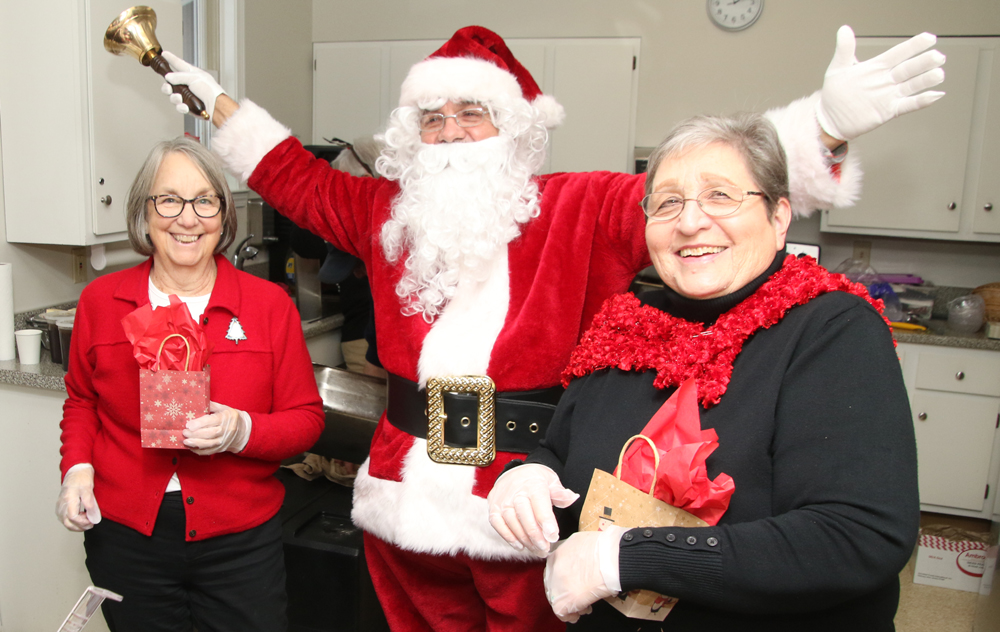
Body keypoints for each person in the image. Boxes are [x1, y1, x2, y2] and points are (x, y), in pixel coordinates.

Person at [154, 25, 940, 630]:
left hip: (526, 496)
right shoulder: (381, 214)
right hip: (401, 494)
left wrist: (823, 127)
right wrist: (210, 100)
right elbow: (291, 175)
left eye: (474, 114)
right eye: (435, 118)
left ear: (516, 128)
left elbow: (704, 195)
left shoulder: (579, 205)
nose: (454, 133)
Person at [486, 113, 918, 630]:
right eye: (667, 202)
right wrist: (529, 478)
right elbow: (563, 452)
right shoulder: (625, 326)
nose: (690, 222)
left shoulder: (833, 329)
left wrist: (621, 560)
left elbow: (856, 536)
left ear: (779, 217)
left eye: (720, 196)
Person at [55, 137, 325, 631]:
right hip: (126, 537)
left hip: (242, 542)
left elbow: (306, 421)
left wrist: (241, 431)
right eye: (169, 199)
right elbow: (82, 401)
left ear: (223, 215)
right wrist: (77, 470)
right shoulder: (100, 302)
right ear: (144, 211)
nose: (187, 218)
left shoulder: (268, 307)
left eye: (204, 200)